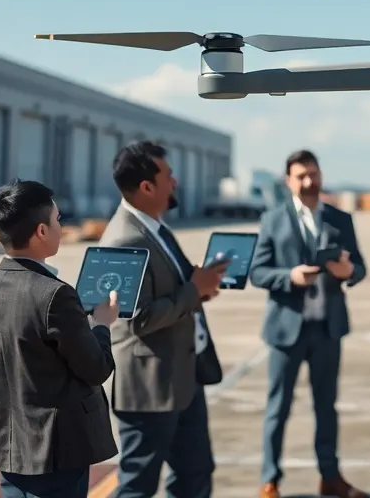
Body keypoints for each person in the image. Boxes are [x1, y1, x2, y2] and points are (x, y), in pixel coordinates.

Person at [0, 179, 122, 498]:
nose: (60, 227)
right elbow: (96, 368)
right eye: (57, 220)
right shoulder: (55, 295)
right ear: (40, 231)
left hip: (7, 443)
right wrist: (102, 325)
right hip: (56, 448)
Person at [101, 141, 230, 498]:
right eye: (168, 177)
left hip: (182, 377)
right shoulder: (123, 240)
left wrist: (201, 285)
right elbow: (136, 318)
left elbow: (176, 287)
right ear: (146, 187)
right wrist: (193, 290)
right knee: (138, 484)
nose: (174, 183)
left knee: (195, 472)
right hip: (150, 387)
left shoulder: (155, 227)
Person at [250, 149, 369, 498]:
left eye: (313, 174)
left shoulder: (340, 219)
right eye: (301, 176)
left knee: (326, 407)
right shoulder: (273, 220)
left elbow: (360, 267)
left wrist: (349, 272)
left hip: (327, 329)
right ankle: (269, 480)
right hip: (287, 330)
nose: (308, 182)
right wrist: (290, 277)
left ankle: (330, 477)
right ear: (288, 181)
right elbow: (257, 271)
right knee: (278, 408)